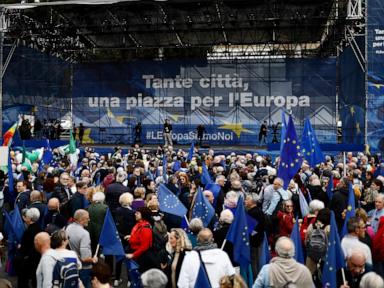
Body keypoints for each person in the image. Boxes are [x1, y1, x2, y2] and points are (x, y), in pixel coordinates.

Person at [66, 209, 98, 288]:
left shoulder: (68, 228)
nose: (89, 220)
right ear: (81, 219)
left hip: (73, 265)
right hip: (84, 268)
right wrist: (94, 259)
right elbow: (85, 258)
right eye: (87, 218)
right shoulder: (84, 234)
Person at [126, 207, 159, 273]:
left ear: (143, 215)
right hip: (137, 254)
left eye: (137, 213)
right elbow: (139, 235)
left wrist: (133, 255)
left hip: (141, 257)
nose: (135, 214)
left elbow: (144, 247)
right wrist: (131, 237)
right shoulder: (139, 224)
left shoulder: (145, 229)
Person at [16, 207, 42, 288]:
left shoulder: (28, 231)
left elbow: (24, 248)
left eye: (26, 216)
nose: (24, 218)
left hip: (28, 258)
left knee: (23, 279)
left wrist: (20, 246)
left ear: (29, 218)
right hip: (37, 257)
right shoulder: (39, 228)